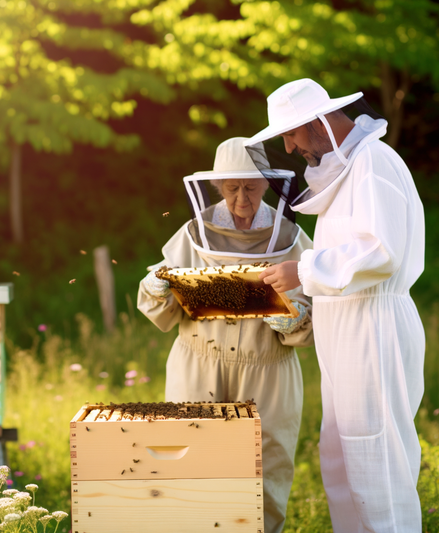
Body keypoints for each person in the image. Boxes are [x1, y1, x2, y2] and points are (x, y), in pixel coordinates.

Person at [245, 78, 425, 532]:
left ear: (319, 121)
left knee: (378, 462)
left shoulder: (373, 164)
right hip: (350, 333)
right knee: (346, 460)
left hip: (374, 329)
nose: (288, 146)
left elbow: (380, 251)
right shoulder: (352, 168)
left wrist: (303, 271)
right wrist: (304, 276)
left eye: (290, 133)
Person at [137, 137, 314, 533]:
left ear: (267, 185)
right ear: (217, 187)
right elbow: (160, 310)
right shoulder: (192, 233)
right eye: (232, 189)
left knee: (266, 470)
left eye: (250, 188)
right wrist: (156, 286)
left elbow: (318, 311)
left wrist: (294, 317)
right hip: (199, 361)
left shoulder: (290, 237)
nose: (241, 199)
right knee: (192, 465)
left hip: (268, 369)